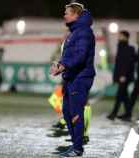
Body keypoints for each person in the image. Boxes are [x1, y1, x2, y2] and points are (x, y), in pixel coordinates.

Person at [50, 2, 95, 157]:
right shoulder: (76, 32)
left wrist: (64, 66)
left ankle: (77, 148)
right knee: (67, 112)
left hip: (80, 77)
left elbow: (80, 56)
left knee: (75, 113)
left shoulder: (83, 32)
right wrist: (60, 65)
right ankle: (75, 145)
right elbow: (72, 55)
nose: (64, 15)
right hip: (72, 77)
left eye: (67, 13)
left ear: (76, 15)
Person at [107, 31, 136, 121]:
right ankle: (128, 113)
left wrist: (123, 75)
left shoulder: (128, 48)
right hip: (121, 76)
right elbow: (119, 63)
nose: (119, 37)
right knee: (124, 96)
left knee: (120, 95)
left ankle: (114, 113)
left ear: (126, 37)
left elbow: (126, 63)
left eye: (121, 36)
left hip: (125, 76)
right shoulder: (120, 47)